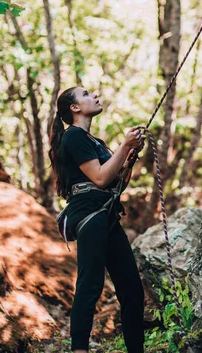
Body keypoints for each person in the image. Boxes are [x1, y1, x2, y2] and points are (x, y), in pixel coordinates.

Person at [49, 86, 146, 353]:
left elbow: (116, 183)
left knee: (132, 291)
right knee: (90, 286)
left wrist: (130, 156)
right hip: (90, 216)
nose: (95, 95)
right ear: (75, 108)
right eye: (87, 93)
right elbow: (101, 178)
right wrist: (125, 145)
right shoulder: (73, 137)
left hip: (107, 215)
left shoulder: (95, 142)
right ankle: (79, 349)